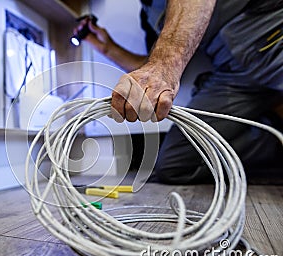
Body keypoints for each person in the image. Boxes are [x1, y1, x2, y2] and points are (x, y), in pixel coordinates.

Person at [75, 0, 283, 184]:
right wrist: (107, 48)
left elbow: (162, 64)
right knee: (174, 165)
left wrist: (165, 65)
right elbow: (149, 67)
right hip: (233, 76)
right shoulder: (148, 15)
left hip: (271, 33)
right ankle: (276, 136)